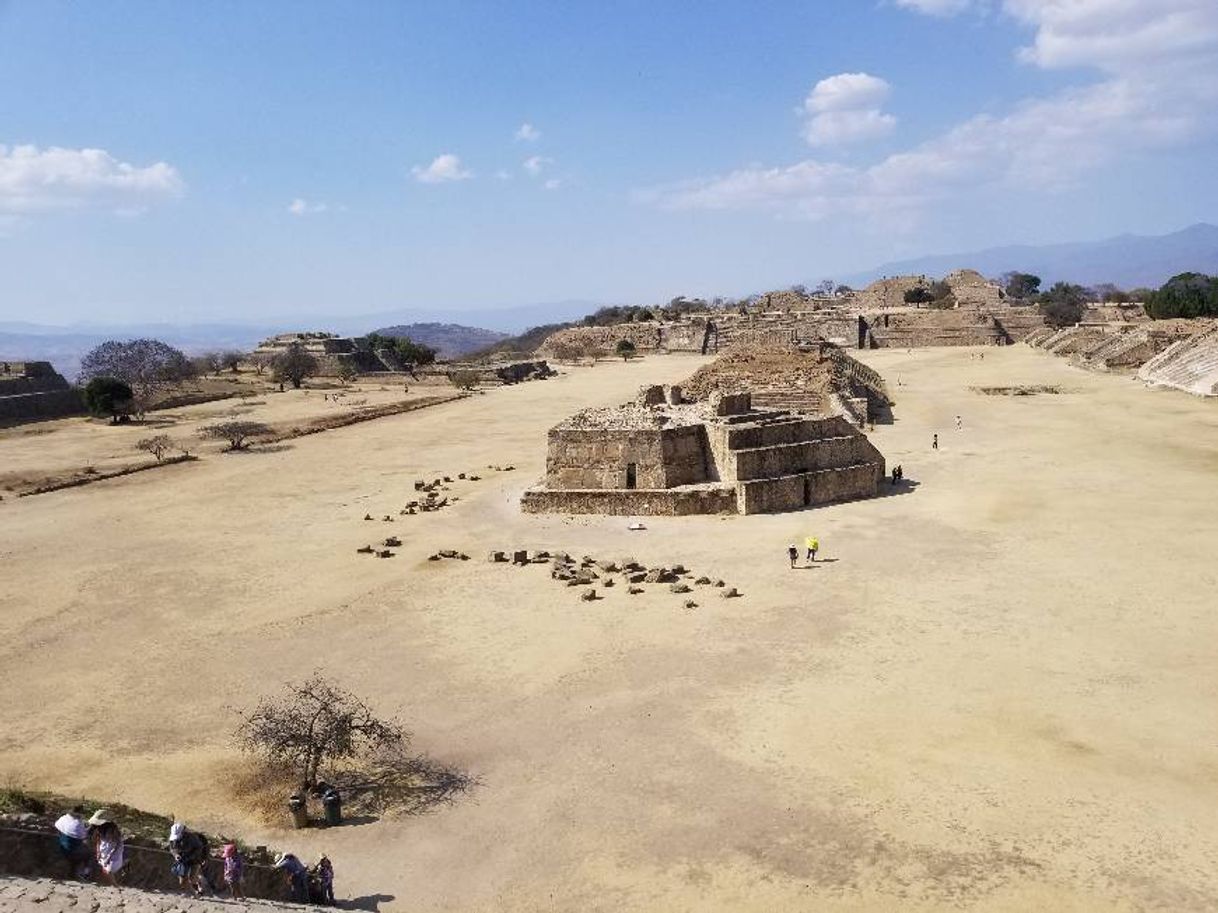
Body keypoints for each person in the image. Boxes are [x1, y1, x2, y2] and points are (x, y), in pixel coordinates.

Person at [168, 822, 209, 895]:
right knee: (182, 881)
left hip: (195, 859)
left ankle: (199, 882)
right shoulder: (173, 838)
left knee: (192, 879)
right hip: (182, 860)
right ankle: (195, 894)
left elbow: (199, 848)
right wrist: (176, 855)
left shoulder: (193, 838)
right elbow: (172, 849)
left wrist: (204, 859)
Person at [88, 810, 124, 887]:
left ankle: (115, 885)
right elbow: (98, 840)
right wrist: (98, 852)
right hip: (104, 849)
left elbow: (114, 847)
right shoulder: (99, 829)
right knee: (104, 867)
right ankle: (111, 884)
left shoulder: (113, 831)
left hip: (114, 851)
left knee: (108, 870)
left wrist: (108, 859)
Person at [54, 806, 91, 878]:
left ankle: (72, 871)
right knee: (88, 854)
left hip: (62, 845)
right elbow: (84, 836)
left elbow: (57, 825)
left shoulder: (64, 818)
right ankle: (86, 872)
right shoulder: (77, 824)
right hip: (72, 850)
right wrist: (89, 828)